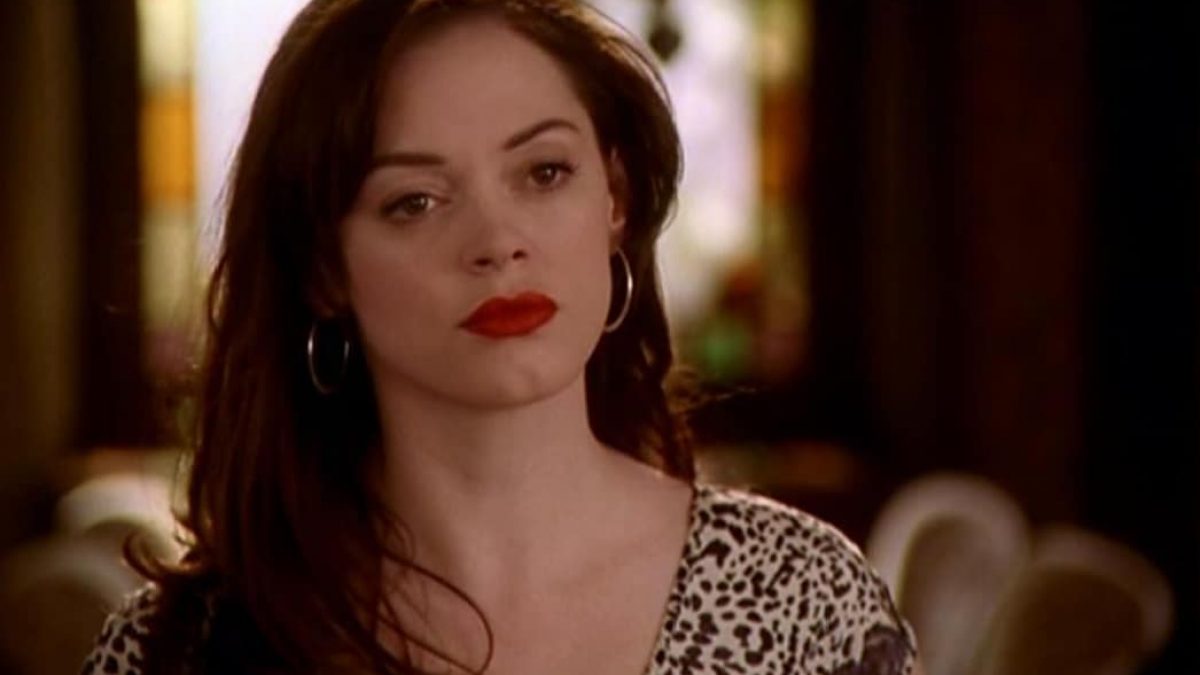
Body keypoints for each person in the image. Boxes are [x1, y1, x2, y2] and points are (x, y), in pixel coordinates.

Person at [83, 1, 919, 673]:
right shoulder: (175, 649)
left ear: (615, 199)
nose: (497, 241)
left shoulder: (798, 602)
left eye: (544, 173)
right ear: (324, 271)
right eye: (415, 201)